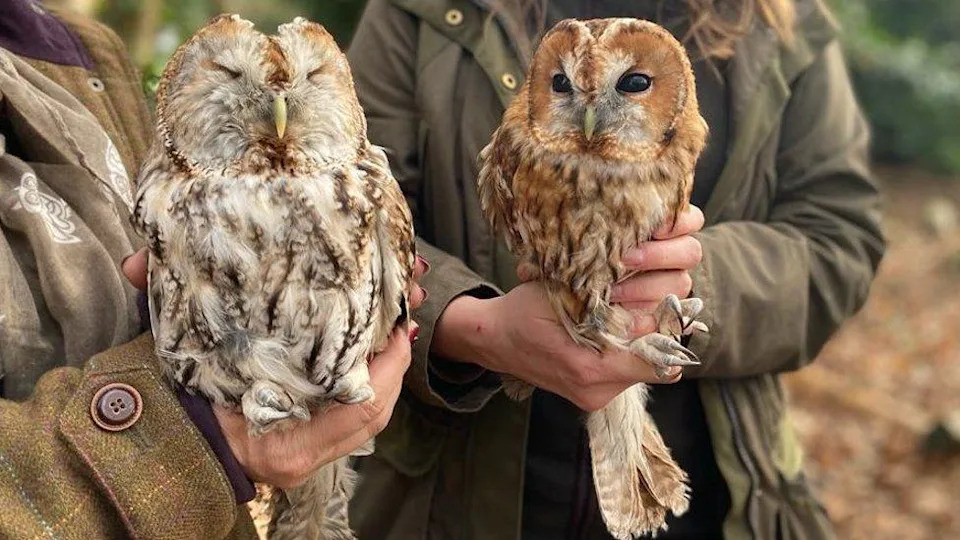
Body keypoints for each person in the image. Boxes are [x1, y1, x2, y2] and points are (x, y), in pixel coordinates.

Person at [347, 0, 884, 538]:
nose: (591, 117)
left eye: (634, 85)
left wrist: (678, 284)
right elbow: (353, 214)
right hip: (454, 490)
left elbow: (838, 237)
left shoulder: (784, 21)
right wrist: (472, 326)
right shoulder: (425, 9)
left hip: (720, 491)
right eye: (561, 86)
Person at [0, 2, 422, 538]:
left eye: (312, 89)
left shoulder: (79, 49)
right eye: (231, 90)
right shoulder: (169, 193)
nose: (279, 122)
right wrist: (202, 440)